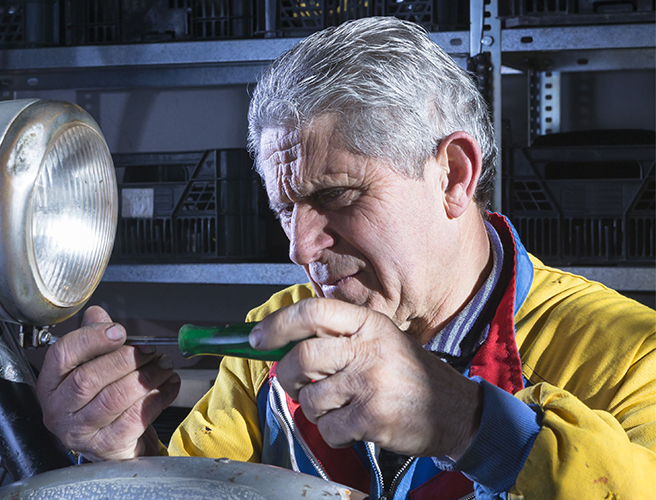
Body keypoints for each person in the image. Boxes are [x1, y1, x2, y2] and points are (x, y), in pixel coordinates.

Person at [35, 16, 655, 499]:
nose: (299, 248)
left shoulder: (628, 352)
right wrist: (125, 455)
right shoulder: (271, 344)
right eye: (286, 208)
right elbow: (197, 484)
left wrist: (467, 422)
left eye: (337, 196)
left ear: (453, 176)